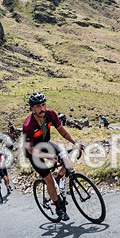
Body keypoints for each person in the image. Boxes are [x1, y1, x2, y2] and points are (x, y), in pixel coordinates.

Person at [22, 93, 83, 221]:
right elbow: (31, 149)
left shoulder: (50, 114)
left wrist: (75, 142)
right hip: (33, 152)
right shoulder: (28, 126)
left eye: (43, 105)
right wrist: (48, 156)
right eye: (38, 106)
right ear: (32, 109)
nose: (42, 109)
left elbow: (62, 131)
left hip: (46, 144)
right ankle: (58, 208)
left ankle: (58, 178)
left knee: (67, 161)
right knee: (48, 179)